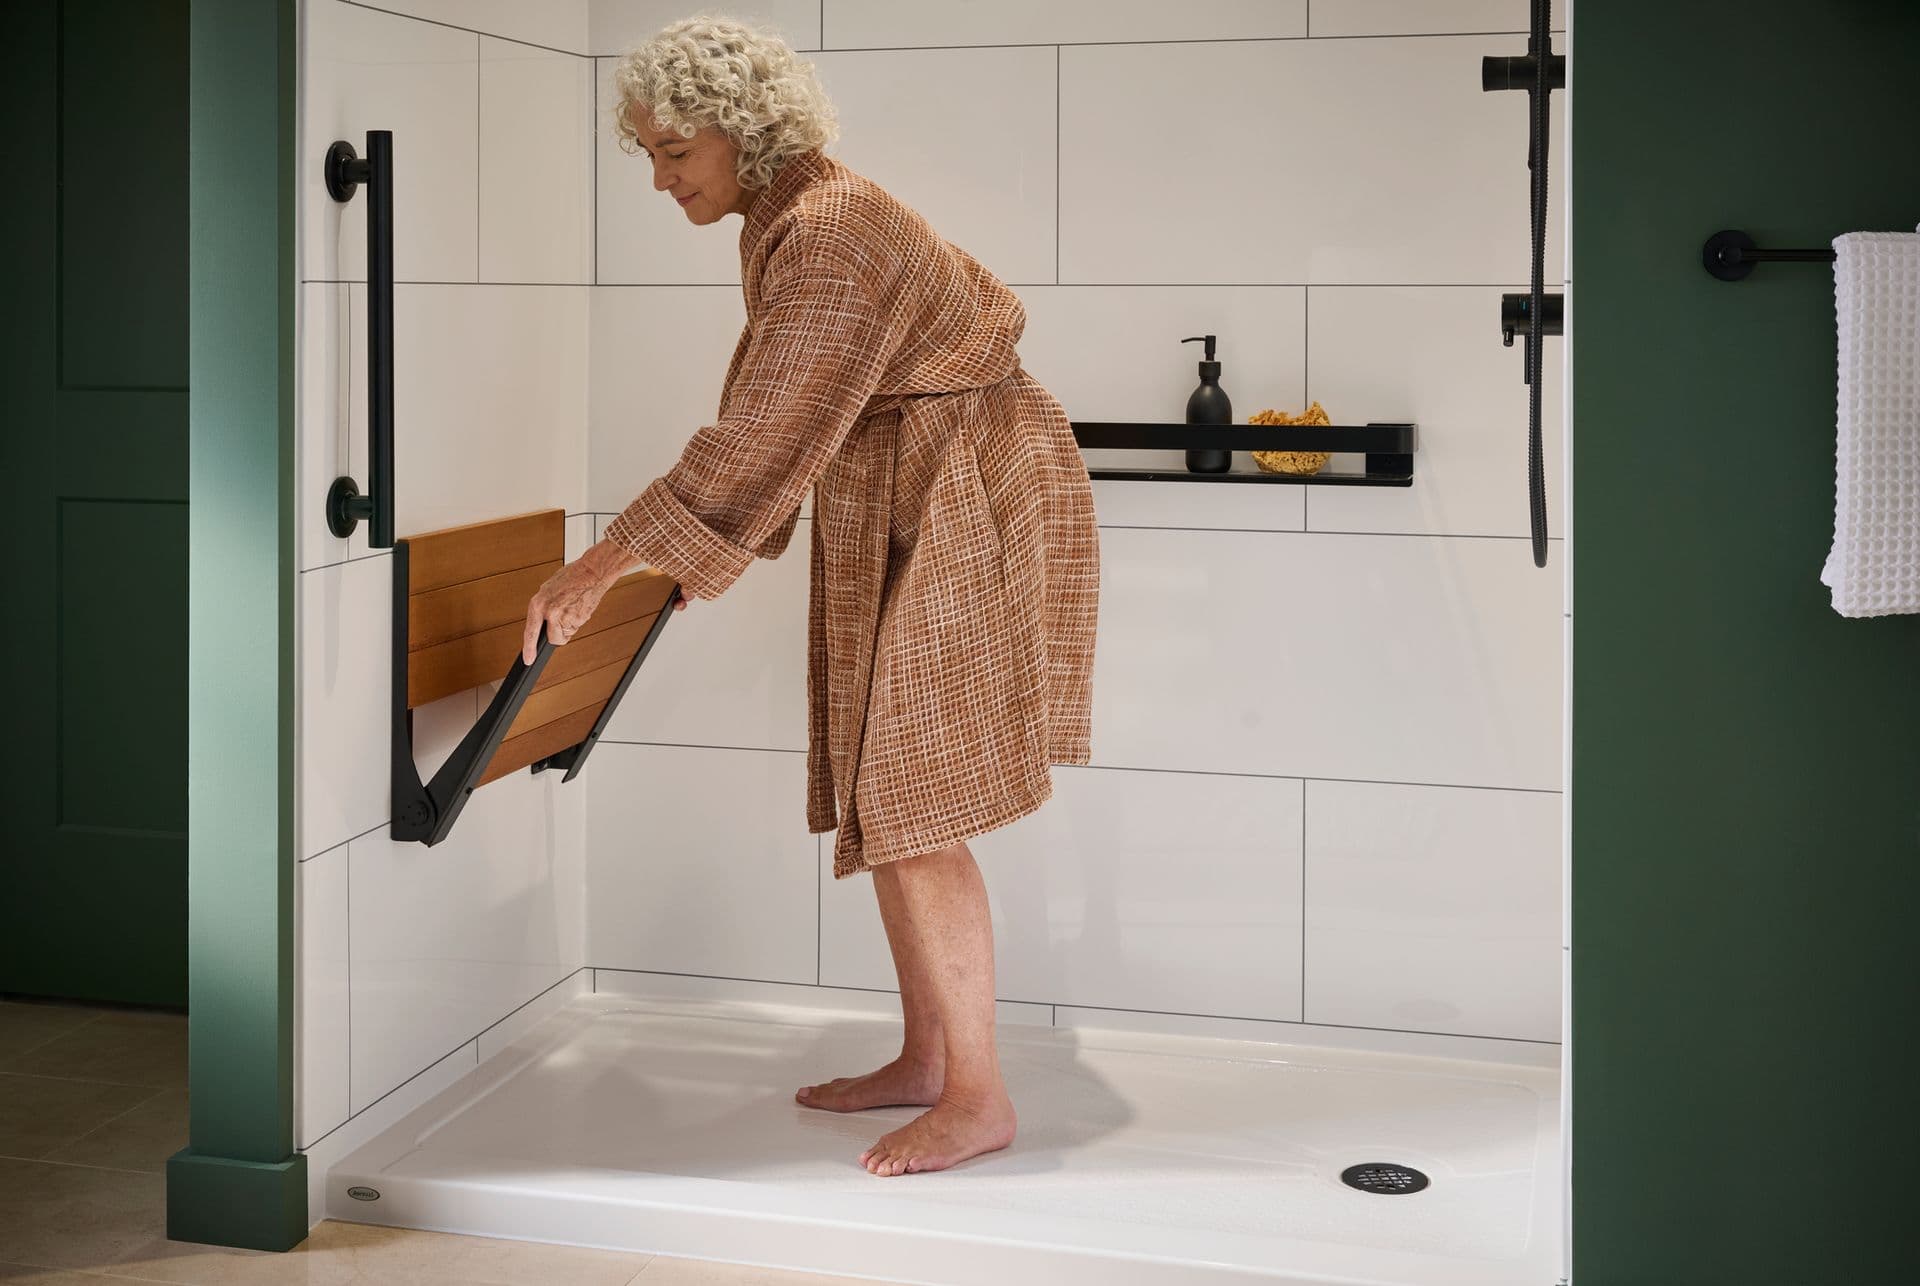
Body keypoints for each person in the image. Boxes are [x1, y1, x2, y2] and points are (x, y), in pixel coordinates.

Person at [520, 14, 1099, 1178]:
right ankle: (930, 1060)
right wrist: (688, 552)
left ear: (743, 135)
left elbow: (761, 430)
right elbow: (786, 410)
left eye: (675, 149)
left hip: (964, 484)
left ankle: (977, 1095)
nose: (659, 176)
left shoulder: (826, 234)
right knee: (889, 785)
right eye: (646, 150)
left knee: (916, 788)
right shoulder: (788, 217)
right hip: (916, 472)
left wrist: (606, 559)